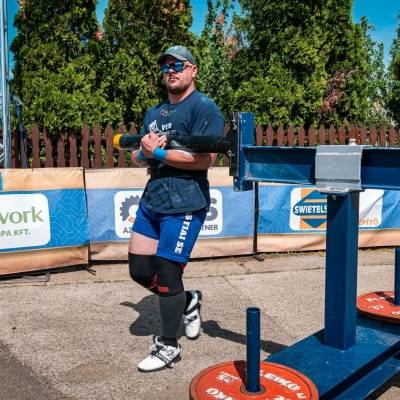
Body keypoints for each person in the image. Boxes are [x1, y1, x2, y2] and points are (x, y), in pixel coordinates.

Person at [129, 45, 225, 372]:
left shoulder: (204, 108)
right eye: (166, 67)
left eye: (178, 65)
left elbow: (204, 160)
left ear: (193, 70)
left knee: (168, 272)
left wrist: (156, 153)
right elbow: (138, 156)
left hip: (185, 201)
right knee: (140, 271)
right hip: (152, 199)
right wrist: (145, 152)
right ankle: (187, 300)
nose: (171, 71)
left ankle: (168, 345)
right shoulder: (154, 113)